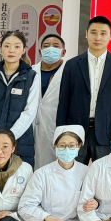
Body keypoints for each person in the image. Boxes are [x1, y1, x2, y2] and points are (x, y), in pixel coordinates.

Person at [57, 16, 111, 163]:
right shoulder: (72, 65)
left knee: (105, 174)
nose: (98, 37)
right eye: (93, 32)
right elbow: (63, 102)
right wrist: (61, 133)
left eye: (103, 33)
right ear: (86, 34)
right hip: (75, 134)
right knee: (73, 174)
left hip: (107, 133)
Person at [0, 31, 40, 167]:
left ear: (24, 50)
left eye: (17, 46)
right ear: (0, 48)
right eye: (7, 46)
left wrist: (10, 138)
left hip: (20, 142)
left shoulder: (32, 77)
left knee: (19, 178)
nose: (12, 50)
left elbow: (30, 111)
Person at [33, 34, 68, 167]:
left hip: (56, 127)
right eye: (46, 46)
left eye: (56, 46)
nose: (50, 49)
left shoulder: (69, 73)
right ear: (40, 52)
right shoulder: (30, 72)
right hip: (31, 128)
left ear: (63, 52)